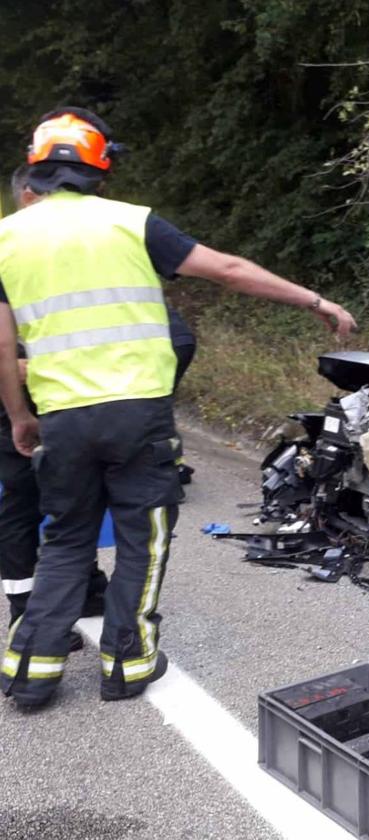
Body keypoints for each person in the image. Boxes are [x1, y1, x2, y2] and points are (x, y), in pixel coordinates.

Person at [0, 107, 356, 707]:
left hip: (62, 415)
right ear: (99, 170)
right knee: (144, 535)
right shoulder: (132, 224)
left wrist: (18, 416)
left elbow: (3, 342)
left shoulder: (7, 237)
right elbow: (229, 270)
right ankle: (128, 660)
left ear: (36, 169)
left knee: (64, 538)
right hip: (137, 413)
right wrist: (315, 300)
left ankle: (33, 666)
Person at [0, 164, 198, 635]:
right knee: (26, 505)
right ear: (28, 195)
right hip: (26, 406)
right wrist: (20, 405)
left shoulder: (82, 247)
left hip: (69, 409)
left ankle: (56, 621)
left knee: (70, 514)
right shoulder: (14, 244)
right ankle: (26, 611)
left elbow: (173, 336)